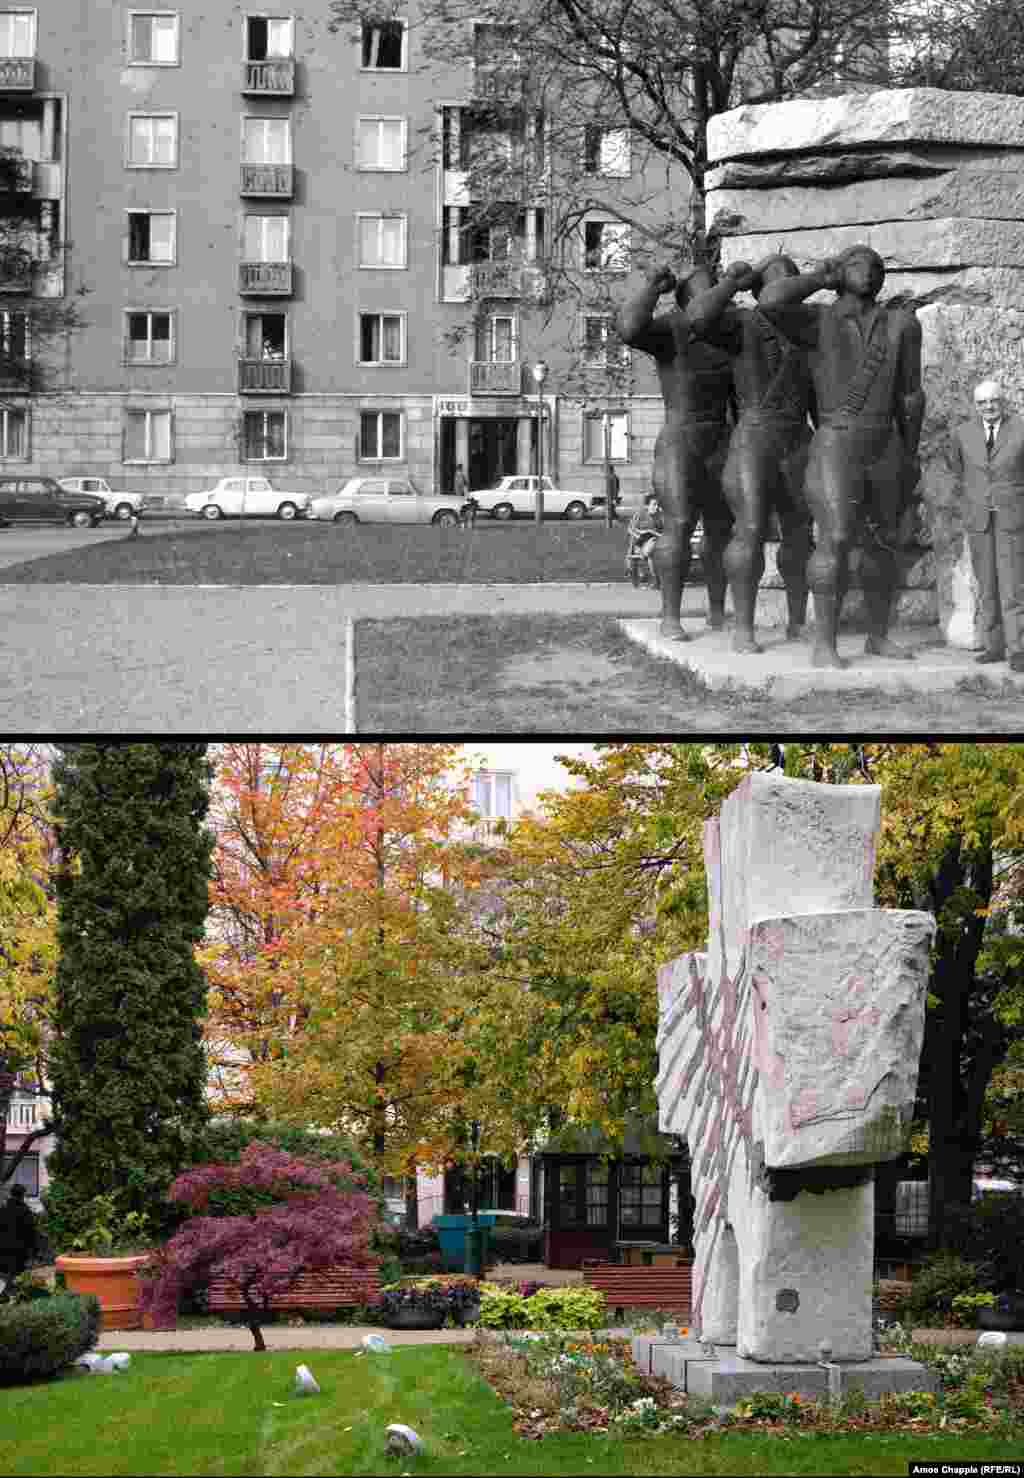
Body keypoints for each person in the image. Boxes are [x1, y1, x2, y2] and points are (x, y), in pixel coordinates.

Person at [758, 244, 924, 669]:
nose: (867, 270)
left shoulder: (903, 324)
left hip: (885, 442)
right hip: (837, 439)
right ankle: (825, 643)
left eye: (875, 265)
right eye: (856, 263)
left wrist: (910, 452)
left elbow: (910, 395)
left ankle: (878, 635)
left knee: (884, 542)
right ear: (841, 271)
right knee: (834, 537)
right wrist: (819, 278)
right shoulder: (816, 321)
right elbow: (770, 300)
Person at [685, 256, 815, 652]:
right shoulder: (741, 325)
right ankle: (743, 627)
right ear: (760, 291)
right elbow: (697, 317)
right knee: (750, 528)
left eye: (793, 280)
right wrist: (729, 283)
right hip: (754, 436)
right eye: (779, 281)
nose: (788, 288)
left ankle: (797, 622)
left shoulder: (812, 330)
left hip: (797, 437)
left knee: (799, 534)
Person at [616, 264, 734, 640]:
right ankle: (671, 618)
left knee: (721, 529)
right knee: (679, 524)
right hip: (681, 438)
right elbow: (629, 328)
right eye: (702, 294)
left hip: (723, 438)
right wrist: (652, 286)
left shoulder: (731, 333)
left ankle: (718, 613)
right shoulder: (672, 330)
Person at [951, 379, 1024, 671]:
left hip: (1011, 517)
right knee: (987, 584)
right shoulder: (962, 434)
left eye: (993, 400)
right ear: (975, 405)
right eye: (982, 402)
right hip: (979, 517)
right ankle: (994, 645)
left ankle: (1017, 649)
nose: (988, 407)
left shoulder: (1020, 428)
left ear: (1002, 401)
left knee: (1013, 584)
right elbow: (959, 470)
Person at [0, 1184, 38, 1286]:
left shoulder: (3, 1209)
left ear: (11, 1194)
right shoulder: (25, 1211)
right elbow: (31, 1232)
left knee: (5, 1275)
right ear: (22, 1195)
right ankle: (16, 1295)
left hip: (3, 1247)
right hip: (19, 1249)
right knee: (17, 1275)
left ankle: (6, 1294)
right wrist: (34, 1250)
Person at [628, 493, 664, 586]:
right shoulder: (640, 514)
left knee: (652, 544)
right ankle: (656, 580)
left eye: (658, 505)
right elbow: (631, 529)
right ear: (647, 506)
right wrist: (639, 535)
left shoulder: (661, 516)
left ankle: (655, 580)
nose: (656, 507)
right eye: (654, 504)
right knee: (650, 553)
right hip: (640, 544)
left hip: (656, 544)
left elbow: (666, 534)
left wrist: (654, 533)